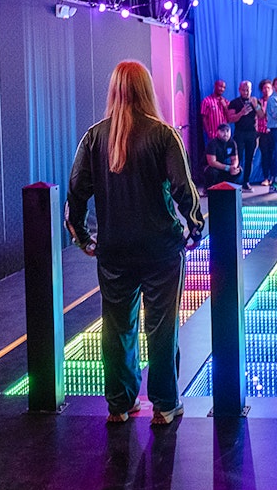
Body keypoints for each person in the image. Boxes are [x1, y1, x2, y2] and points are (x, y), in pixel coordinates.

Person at [66, 60, 204, 425]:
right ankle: (164, 404)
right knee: (161, 327)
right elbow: (183, 188)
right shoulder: (163, 134)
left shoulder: (95, 137)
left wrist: (82, 237)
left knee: (117, 328)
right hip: (160, 249)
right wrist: (195, 228)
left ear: (113, 90)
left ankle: (120, 405)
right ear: (147, 89)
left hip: (113, 250)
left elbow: (75, 193)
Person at [226, 80, 263, 192]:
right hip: (239, 133)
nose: (246, 92)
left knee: (249, 158)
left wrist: (256, 106)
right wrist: (241, 113)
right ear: (239, 90)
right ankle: (235, 182)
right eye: (243, 90)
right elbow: (230, 119)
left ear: (251, 90)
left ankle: (246, 181)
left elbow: (262, 116)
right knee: (238, 158)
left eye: (248, 90)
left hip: (252, 133)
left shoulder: (255, 101)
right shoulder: (234, 103)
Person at [256, 79, 274, 187]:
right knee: (265, 155)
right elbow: (260, 115)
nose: (266, 90)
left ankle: (274, 177)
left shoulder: (276, 101)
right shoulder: (258, 102)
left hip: (274, 132)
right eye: (264, 88)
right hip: (262, 133)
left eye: (268, 88)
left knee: (275, 155)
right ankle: (266, 177)